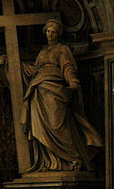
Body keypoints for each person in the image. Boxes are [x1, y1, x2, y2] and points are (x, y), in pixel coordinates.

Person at [20, 17, 102, 172]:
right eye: (48, 31)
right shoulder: (42, 52)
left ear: (58, 34)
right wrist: (16, 65)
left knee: (57, 124)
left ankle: (72, 158)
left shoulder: (62, 49)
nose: (50, 34)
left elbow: (67, 66)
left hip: (55, 89)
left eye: (53, 32)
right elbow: (34, 70)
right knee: (41, 127)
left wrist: (72, 81)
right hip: (38, 90)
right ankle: (49, 161)